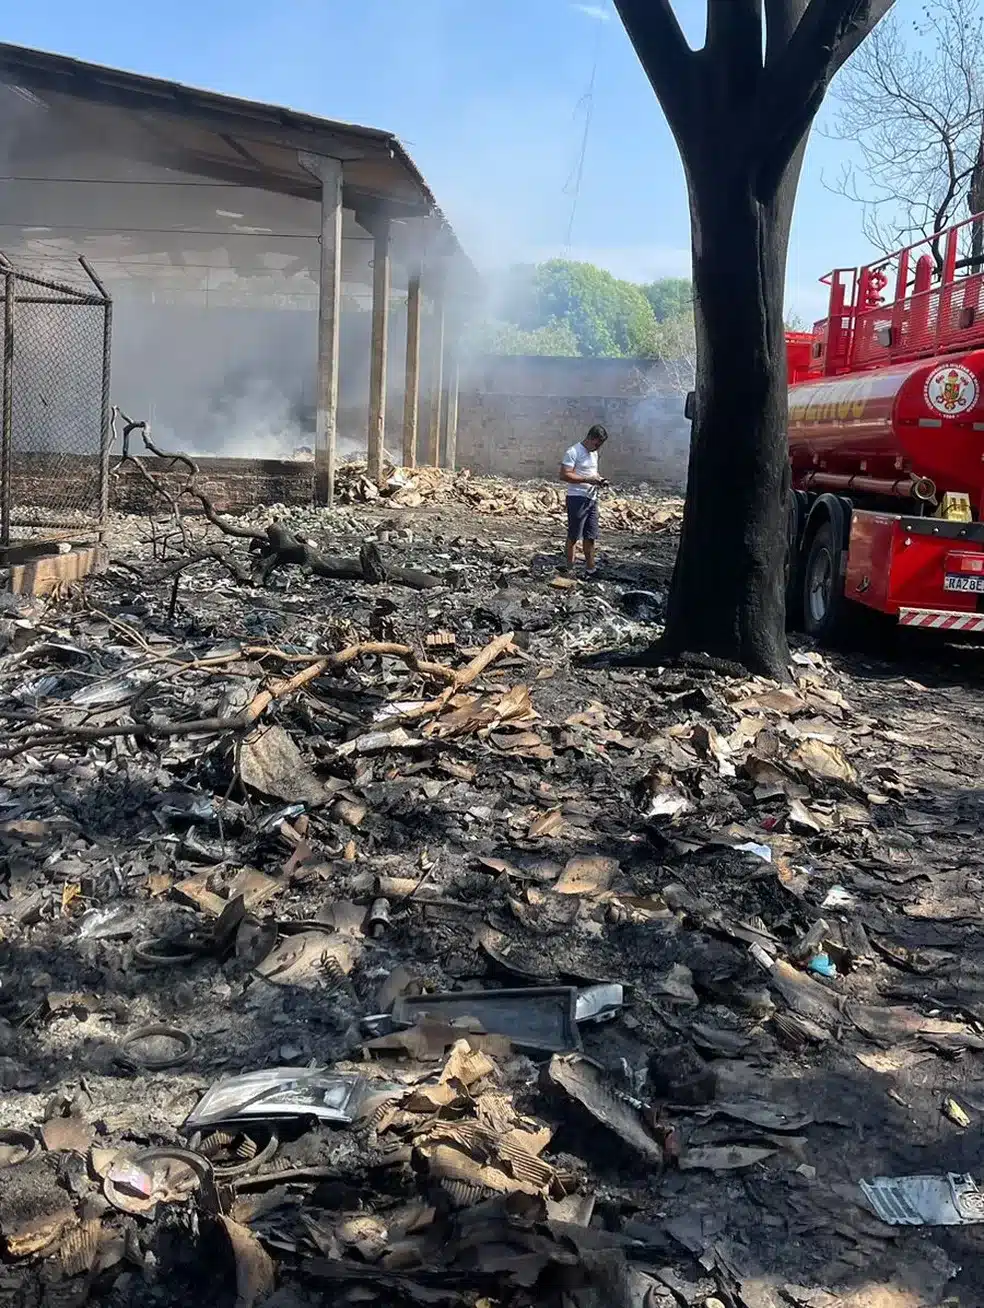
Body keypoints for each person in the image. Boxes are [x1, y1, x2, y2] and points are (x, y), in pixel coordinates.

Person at [559, 424, 609, 576]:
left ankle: (590, 568)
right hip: (577, 498)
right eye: (597, 444)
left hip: (592, 499)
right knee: (574, 536)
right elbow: (564, 475)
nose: (598, 447)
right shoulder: (573, 452)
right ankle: (570, 569)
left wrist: (599, 480)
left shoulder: (593, 454)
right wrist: (587, 479)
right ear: (590, 438)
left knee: (591, 535)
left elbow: (592, 472)